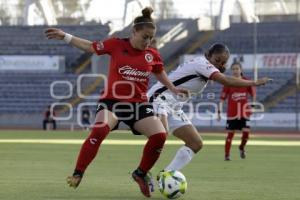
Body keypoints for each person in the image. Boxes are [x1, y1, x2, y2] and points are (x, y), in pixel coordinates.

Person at [45, 7, 188, 197]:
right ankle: (78, 173)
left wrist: (173, 88)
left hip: (138, 105)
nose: (148, 42)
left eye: (151, 38)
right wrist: (65, 36)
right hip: (112, 102)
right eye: (145, 36)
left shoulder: (152, 54)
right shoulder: (116, 44)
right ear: (134, 32)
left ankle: (140, 174)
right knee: (100, 129)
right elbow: (90, 47)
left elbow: (159, 71)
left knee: (160, 135)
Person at [139, 43, 270, 178]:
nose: (220, 64)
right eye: (217, 60)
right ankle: (141, 173)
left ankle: (166, 175)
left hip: (173, 107)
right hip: (159, 98)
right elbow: (226, 81)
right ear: (208, 55)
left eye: (223, 62)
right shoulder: (202, 64)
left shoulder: (205, 68)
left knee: (195, 143)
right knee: (161, 135)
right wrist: (254, 82)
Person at [218, 62, 256, 161]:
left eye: (237, 69)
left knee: (246, 134)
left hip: (244, 112)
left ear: (241, 70)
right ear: (231, 71)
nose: (235, 71)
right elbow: (222, 99)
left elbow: (253, 95)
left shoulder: (247, 81)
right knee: (230, 134)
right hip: (232, 113)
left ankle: (241, 147)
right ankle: (227, 155)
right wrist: (219, 111)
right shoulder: (228, 82)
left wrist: (252, 106)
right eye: (233, 69)